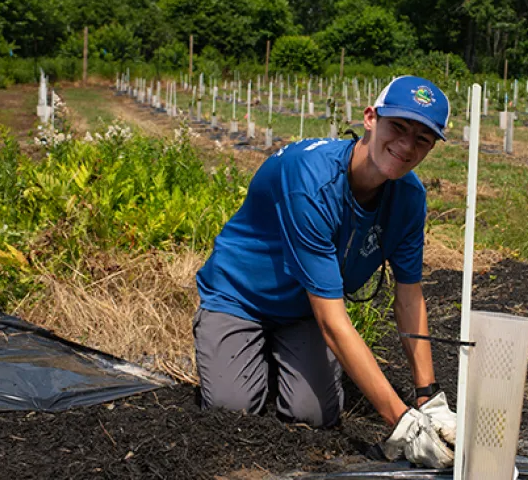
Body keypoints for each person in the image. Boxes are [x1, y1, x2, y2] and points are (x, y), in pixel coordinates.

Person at [194, 76, 457, 468]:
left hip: (304, 309)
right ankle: (229, 341)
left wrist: (428, 398)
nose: (406, 146)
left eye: (422, 139)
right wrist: (401, 422)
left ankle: (273, 355)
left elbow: (409, 295)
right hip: (241, 297)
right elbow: (334, 323)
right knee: (232, 410)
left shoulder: (408, 198)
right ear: (370, 118)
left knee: (313, 417)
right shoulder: (311, 181)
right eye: (398, 127)